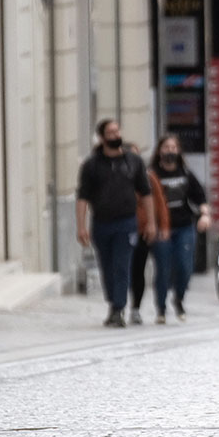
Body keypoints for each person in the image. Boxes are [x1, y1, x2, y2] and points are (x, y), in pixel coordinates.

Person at [76, 119, 156, 327]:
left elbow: (146, 193)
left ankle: (119, 307)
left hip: (127, 222)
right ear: (102, 138)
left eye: (117, 131)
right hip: (102, 223)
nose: (115, 135)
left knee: (122, 265)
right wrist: (81, 226)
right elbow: (82, 196)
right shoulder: (91, 165)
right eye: (110, 133)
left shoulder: (134, 162)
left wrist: (151, 222)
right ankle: (113, 303)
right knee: (107, 266)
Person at [150, 135, 211, 322]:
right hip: (162, 229)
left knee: (185, 266)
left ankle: (179, 298)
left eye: (174, 147)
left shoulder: (185, 173)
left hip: (184, 226)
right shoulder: (152, 175)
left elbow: (200, 196)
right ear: (159, 150)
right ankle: (161, 308)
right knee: (163, 268)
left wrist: (205, 214)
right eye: (166, 147)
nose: (170, 151)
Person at [127, 143, 171, 325]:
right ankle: (121, 304)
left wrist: (162, 226)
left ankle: (136, 307)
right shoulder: (119, 178)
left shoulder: (149, 178)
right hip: (125, 230)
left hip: (144, 231)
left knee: (138, 270)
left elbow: (160, 203)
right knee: (127, 270)